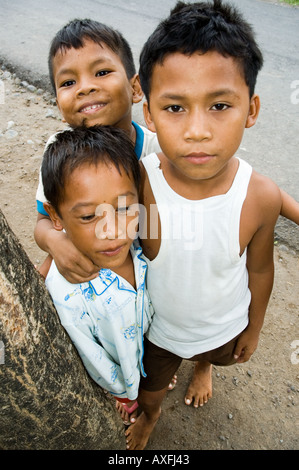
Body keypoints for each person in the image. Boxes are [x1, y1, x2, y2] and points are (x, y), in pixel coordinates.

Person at [125, 0, 299, 450]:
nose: (197, 130)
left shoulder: (258, 196)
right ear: (148, 111)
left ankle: (201, 368)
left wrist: (254, 327)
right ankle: (153, 414)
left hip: (224, 326)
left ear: (252, 109)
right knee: (149, 391)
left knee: (215, 358)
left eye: (220, 105)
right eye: (175, 108)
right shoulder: (140, 181)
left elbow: (260, 270)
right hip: (158, 332)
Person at [42, 125, 154, 424]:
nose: (112, 230)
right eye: (89, 216)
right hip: (124, 380)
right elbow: (94, 358)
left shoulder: (144, 249)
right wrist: (124, 392)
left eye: (125, 207)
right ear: (56, 217)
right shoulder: (68, 293)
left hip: (151, 360)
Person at [34, 18, 161, 283]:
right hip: (89, 276)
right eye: (68, 82)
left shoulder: (157, 152)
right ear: (58, 103)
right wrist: (55, 243)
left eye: (102, 72)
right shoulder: (60, 153)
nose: (85, 87)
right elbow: (45, 220)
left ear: (135, 87)